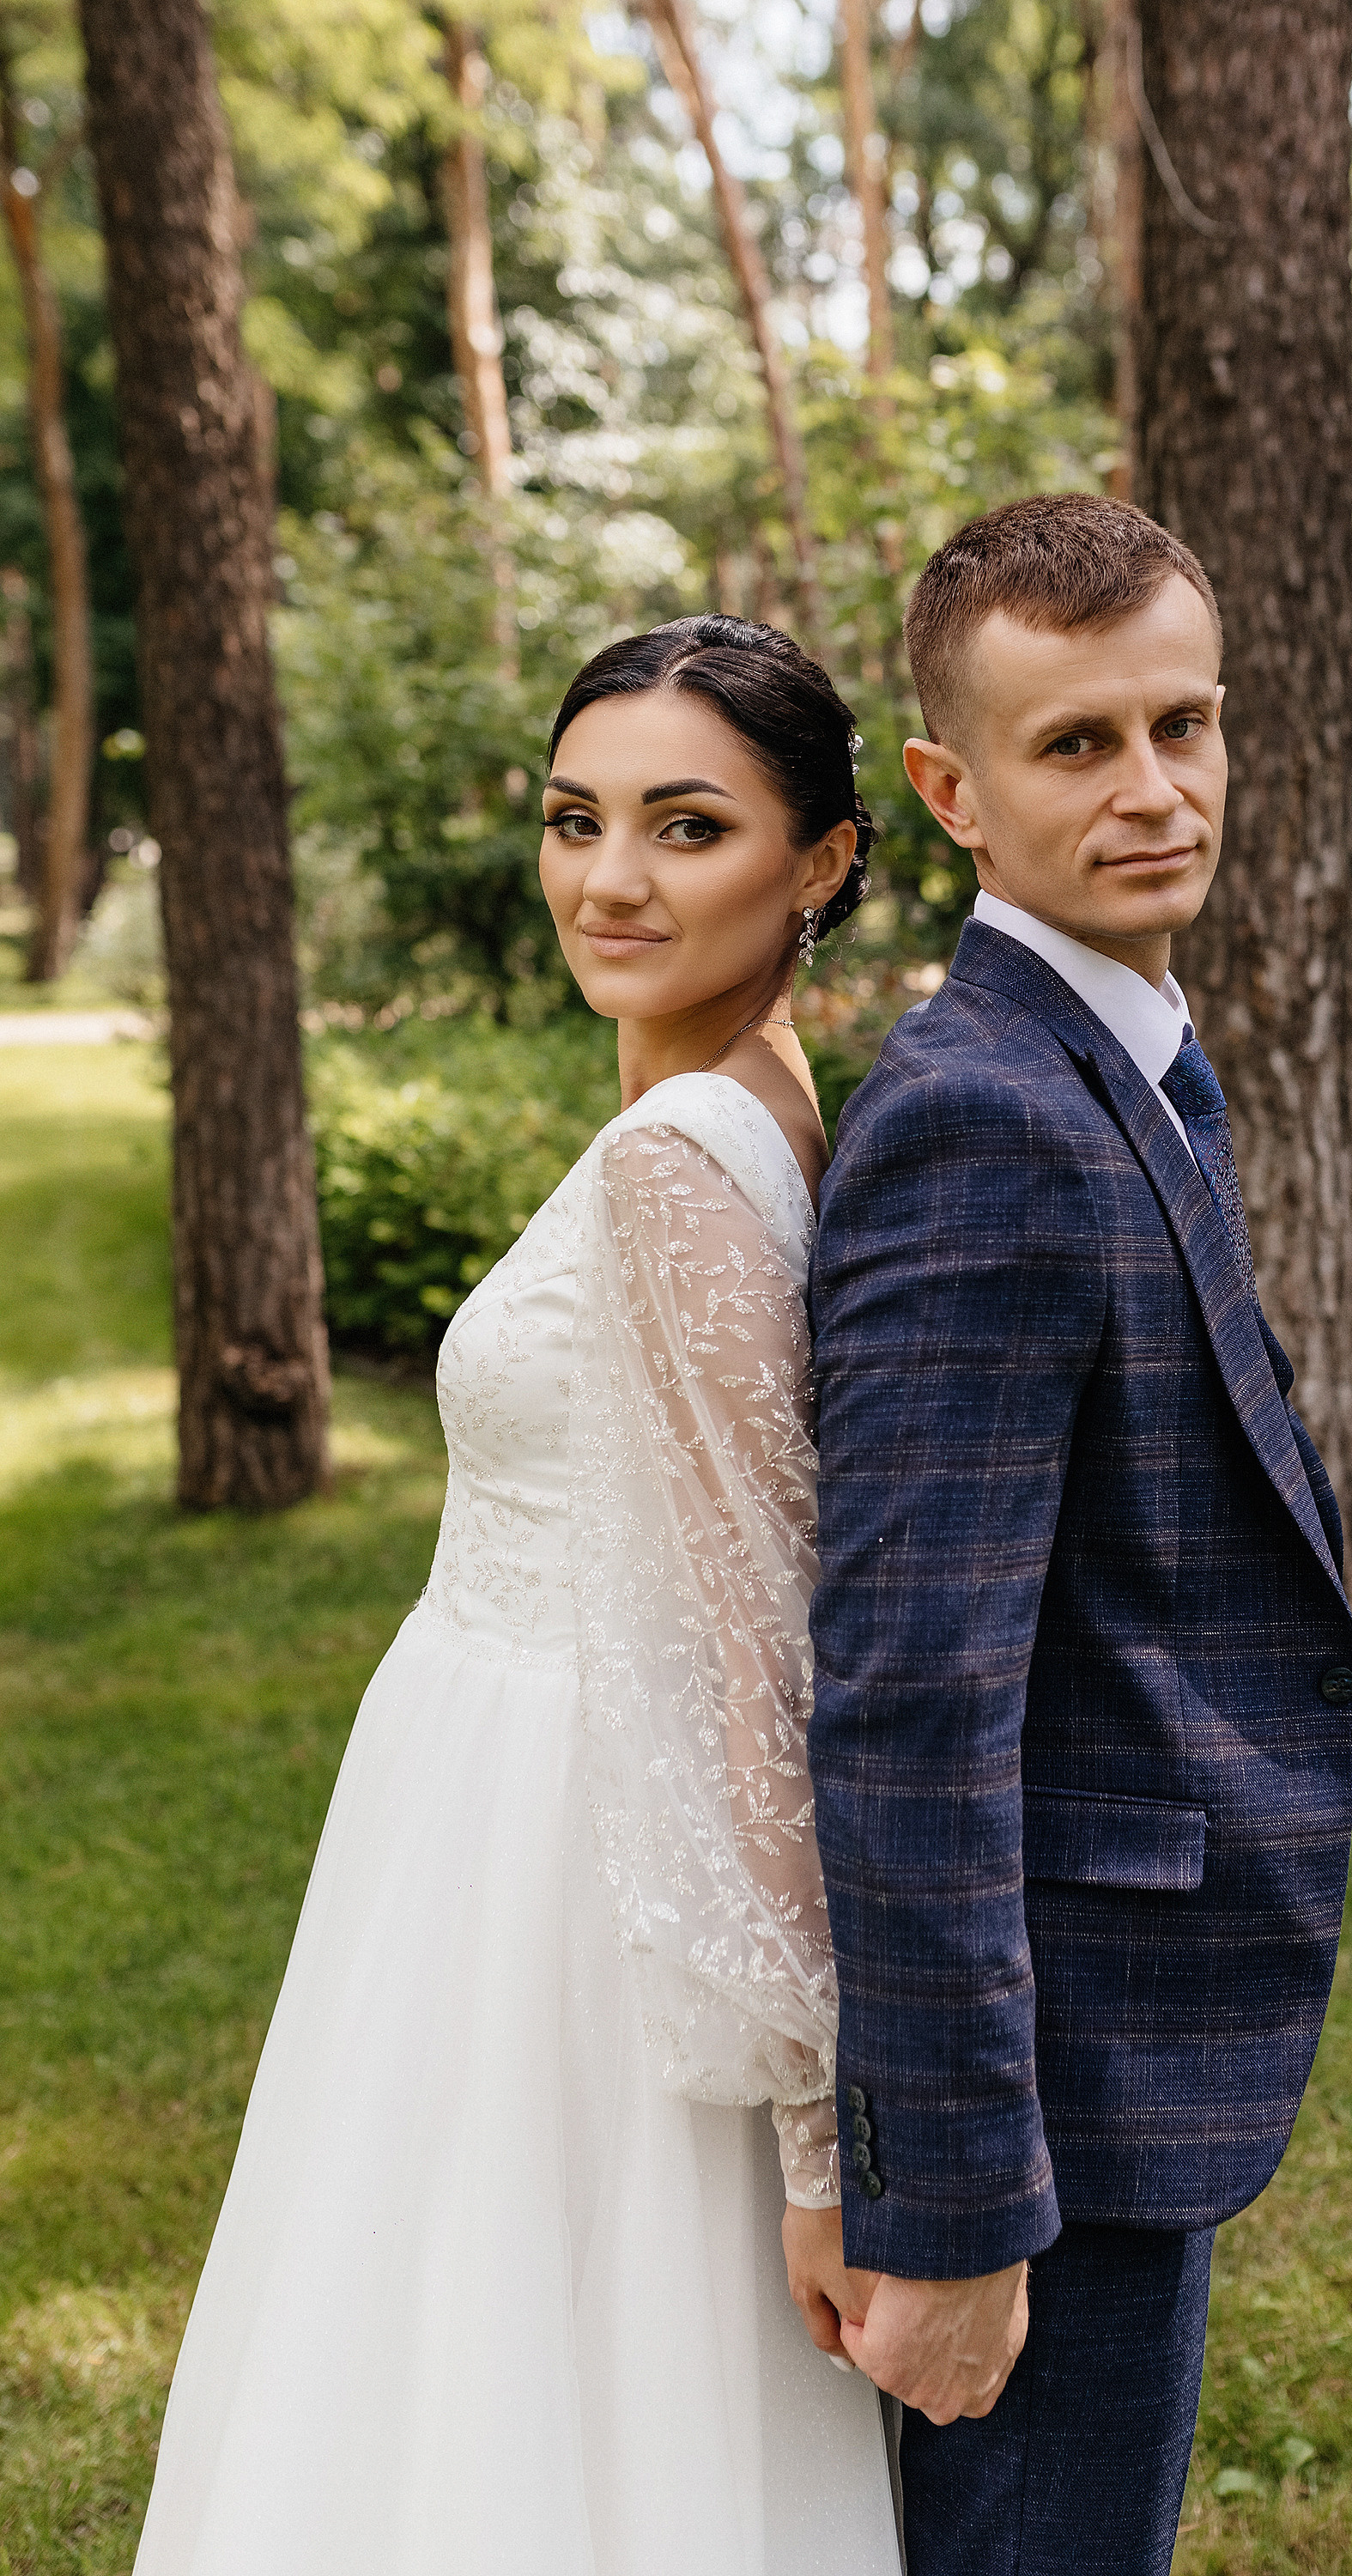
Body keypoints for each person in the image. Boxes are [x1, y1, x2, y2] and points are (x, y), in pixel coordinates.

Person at [132, 617, 902, 2576]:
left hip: (564, 1871)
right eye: (577, 819)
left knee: (508, 2395)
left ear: (819, 860)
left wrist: (817, 2142)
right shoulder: (766, 1100)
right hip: (491, 1818)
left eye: (687, 825)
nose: (610, 878)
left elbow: (757, 1651)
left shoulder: (681, 1165)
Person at [802, 494, 1352, 2574]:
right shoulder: (987, 1121)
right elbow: (901, 1709)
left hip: (1124, 2058)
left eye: (1185, 725)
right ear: (948, 790)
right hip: (1046, 2105)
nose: (1155, 791)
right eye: (1077, 747)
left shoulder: (1117, 1062)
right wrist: (947, 2211)